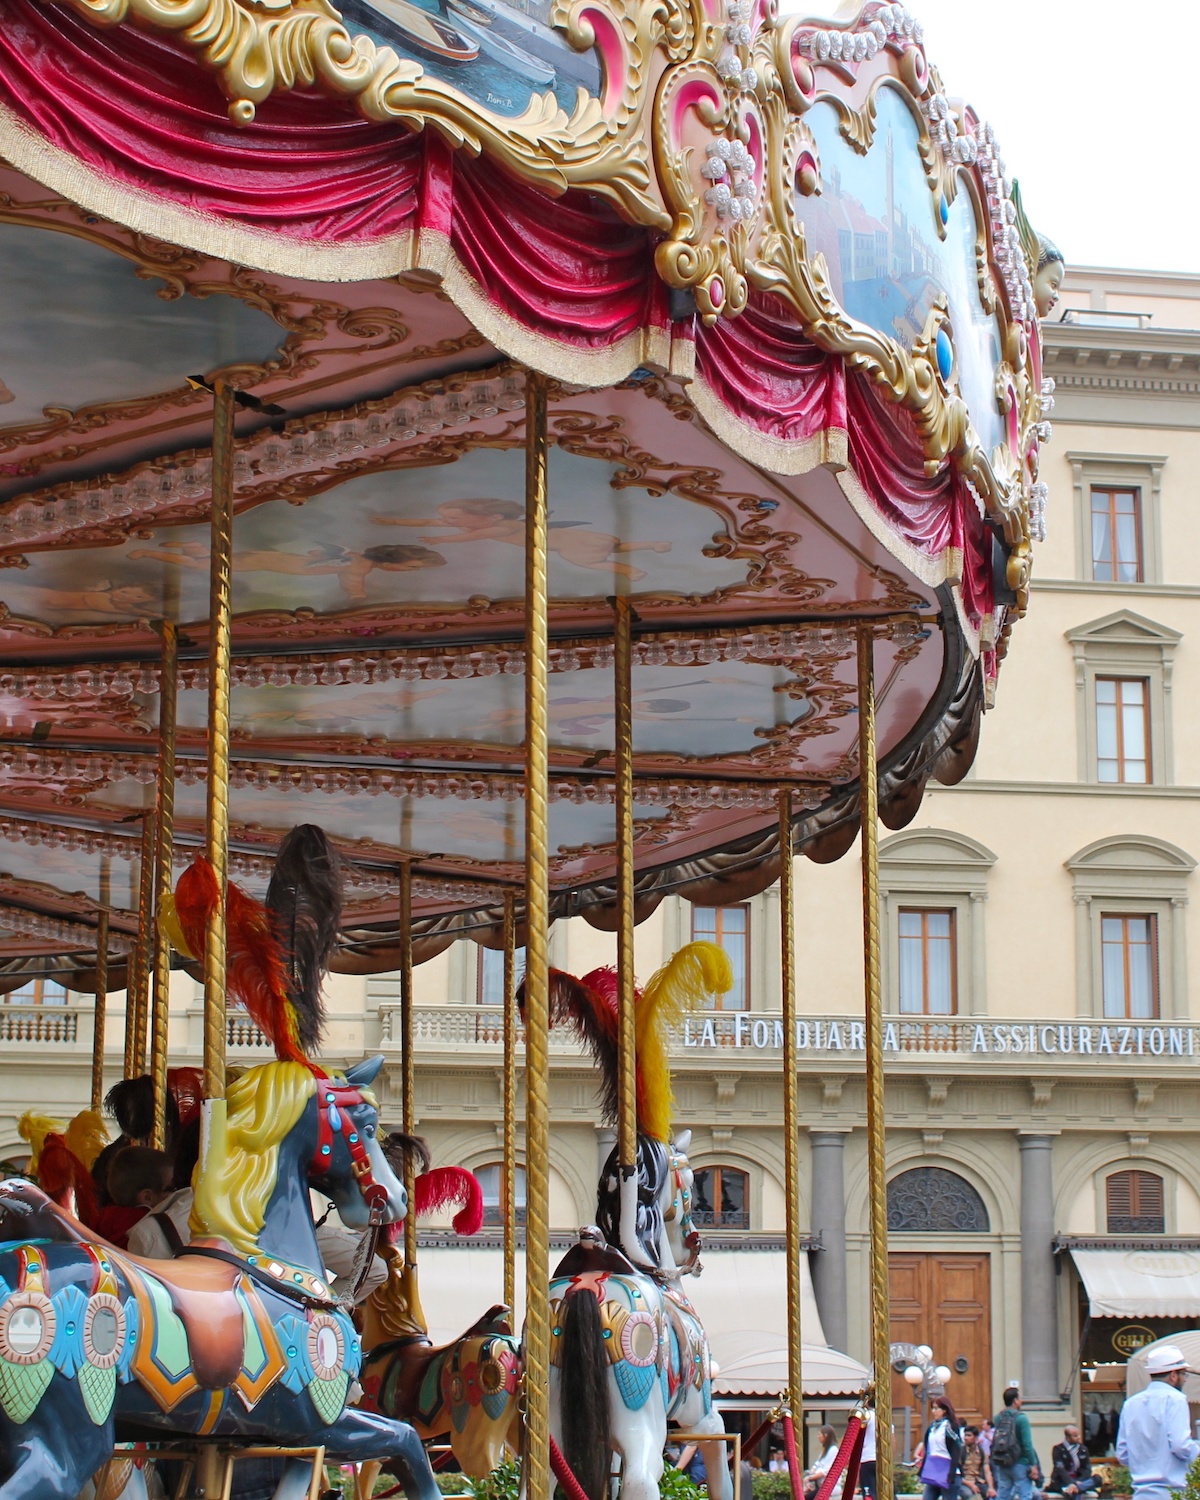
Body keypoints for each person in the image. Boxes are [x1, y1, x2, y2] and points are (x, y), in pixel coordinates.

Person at [1116, 1344, 1200, 1500]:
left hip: (1141, 1493)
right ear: (1173, 1375)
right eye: (1184, 1375)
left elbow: (1122, 1454)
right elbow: (1180, 1445)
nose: (1184, 1380)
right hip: (1173, 1492)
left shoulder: (1131, 1403)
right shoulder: (1175, 1399)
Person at [990, 1387, 1039, 1500]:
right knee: (1025, 1495)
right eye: (1020, 1398)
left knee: (1003, 1495)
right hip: (1020, 1462)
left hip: (1003, 1461)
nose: (1021, 1400)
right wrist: (1033, 1464)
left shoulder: (998, 1417)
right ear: (1015, 1400)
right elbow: (1027, 1444)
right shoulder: (1022, 1418)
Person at [914, 1398, 962, 1500]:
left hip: (949, 1471)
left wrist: (951, 1474)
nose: (933, 1411)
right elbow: (928, 1450)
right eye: (932, 1408)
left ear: (944, 1410)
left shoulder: (950, 1426)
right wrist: (922, 1470)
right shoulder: (932, 1427)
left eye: (936, 1408)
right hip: (934, 1471)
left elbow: (956, 1451)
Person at [1049, 1426, 1096, 1497]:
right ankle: (1076, 1488)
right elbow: (1060, 1468)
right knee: (1072, 1493)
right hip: (1064, 1481)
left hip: (1080, 1480)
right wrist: (1071, 1483)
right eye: (1075, 1436)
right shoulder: (1058, 1449)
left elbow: (1087, 1467)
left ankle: (1077, 1487)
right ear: (1068, 1437)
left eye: (1079, 1435)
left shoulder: (1083, 1449)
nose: (1079, 1437)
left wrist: (1078, 1481)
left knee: (1097, 1479)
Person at [959, 1426, 995, 1500]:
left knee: (991, 1495)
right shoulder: (960, 1452)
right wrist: (971, 1485)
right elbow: (956, 1475)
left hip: (978, 1481)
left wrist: (991, 1488)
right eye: (965, 1435)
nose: (966, 1438)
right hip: (964, 1482)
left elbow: (987, 1472)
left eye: (969, 1435)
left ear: (975, 1437)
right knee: (971, 1496)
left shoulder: (981, 1452)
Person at [805, 1425, 839, 1500]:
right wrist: (810, 1477)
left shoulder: (833, 1450)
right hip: (819, 1485)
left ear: (825, 1435)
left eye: (819, 1434)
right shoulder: (824, 1450)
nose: (818, 1436)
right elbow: (816, 1465)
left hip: (828, 1486)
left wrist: (810, 1478)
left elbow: (826, 1471)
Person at [860, 1413, 877, 1500]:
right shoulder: (884, 1415)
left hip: (867, 1458)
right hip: (880, 1459)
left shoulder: (866, 1415)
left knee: (869, 1494)